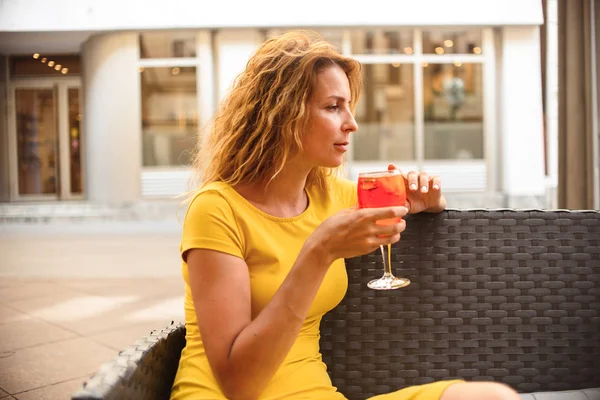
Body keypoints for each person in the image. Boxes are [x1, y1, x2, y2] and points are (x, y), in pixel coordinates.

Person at [170, 30, 520, 400]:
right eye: (333, 107)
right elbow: (237, 384)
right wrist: (318, 252)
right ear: (282, 114)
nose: (352, 123)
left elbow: (413, 201)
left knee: (491, 397)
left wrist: (427, 198)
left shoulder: (332, 195)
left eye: (349, 106)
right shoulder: (217, 209)